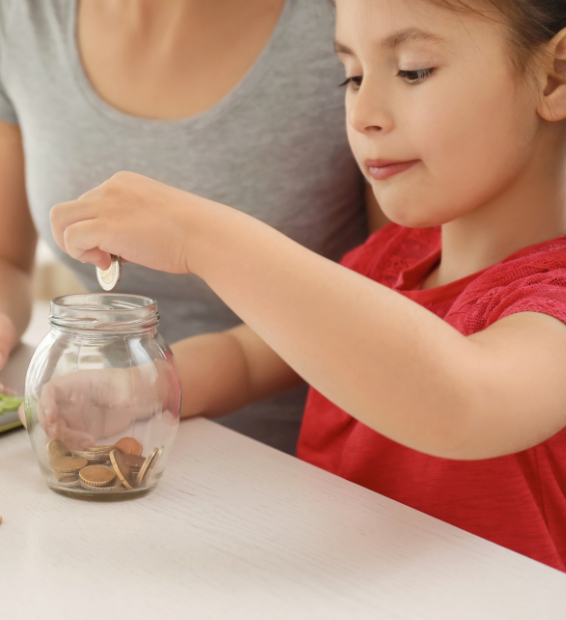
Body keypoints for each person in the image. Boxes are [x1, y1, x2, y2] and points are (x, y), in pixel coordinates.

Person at [47, 0, 566, 571]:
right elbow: (249, 355)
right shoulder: (390, 260)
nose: (363, 112)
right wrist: (130, 389)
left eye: (414, 70)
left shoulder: (555, 299)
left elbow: (463, 402)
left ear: (554, 75)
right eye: (353, 76)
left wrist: (204, 237)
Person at [0, 0, 386, 455]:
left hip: (308, 469)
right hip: (92, 439)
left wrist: (155, 385)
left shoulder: (351, 21)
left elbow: (398, 289)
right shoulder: (21, 15)